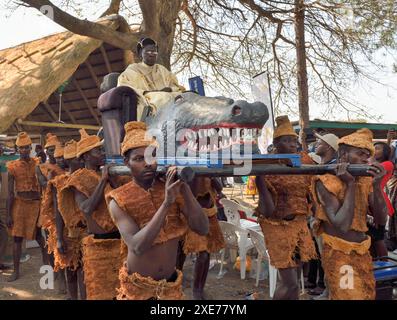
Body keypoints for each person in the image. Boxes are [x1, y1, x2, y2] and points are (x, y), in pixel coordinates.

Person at [106, 121, 208, 300]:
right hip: (138, 288)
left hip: (171, 285)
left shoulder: (171, 188)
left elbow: (202, 228)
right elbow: (137, 246)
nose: (148, 163)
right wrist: (167, 203)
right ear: (127, 163)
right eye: (139, 159)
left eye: (152, 156)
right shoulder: (118, 199)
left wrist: (184, 189)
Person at [313, 128, 388, 300]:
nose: (366, 159)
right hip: (338, 252)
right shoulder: (325, 180)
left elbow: (381, 219)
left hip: (362, 251)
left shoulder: (365, 180)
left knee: (366, 295)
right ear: (343, 156)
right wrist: (351, 185)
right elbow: (342, 224)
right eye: (360, 154)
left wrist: (377, 186)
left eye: (368, 155)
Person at [255, 115, 317, 300]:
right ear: (276, 143)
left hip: (300, 225)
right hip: (278, 226)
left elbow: (314, 188)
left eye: (294, 141)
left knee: (295, 281)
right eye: (287, 141)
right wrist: (259, 179)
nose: (292, 144)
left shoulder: (304, 160)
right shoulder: (268, 164)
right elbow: (266, 209)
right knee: (289, 282)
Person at [43, 142, 86, 299]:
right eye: (77, 158)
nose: (80, 160)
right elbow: (58, 211)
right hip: (69, 233)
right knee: (71, 269)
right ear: (69, 160)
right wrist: (60, 238)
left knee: (84, 270)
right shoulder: (59, 182)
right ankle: (72, 296)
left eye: (81, 157)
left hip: (86, 232)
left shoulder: (88, 178)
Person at [6, 132, 48, 281]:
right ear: (17, 150)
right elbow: (10, 193)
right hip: (20, 205)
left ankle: (47, 266)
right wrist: (8, 214)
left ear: (30, 148)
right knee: (17, 238)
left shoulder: (37, 163)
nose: (24, 150)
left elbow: (44, 183)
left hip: (36, 204)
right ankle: (16, 271)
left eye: (26, 147)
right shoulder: (12, 167)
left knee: (39, 236)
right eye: (21, 148)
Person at [178, 177, 225, 300]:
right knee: (194, 253)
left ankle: (199, 287)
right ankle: (193, 288)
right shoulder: (191, 169)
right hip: (192, 217)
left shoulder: (209, 167)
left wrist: (211, 175)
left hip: (210, 215)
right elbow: (191, 193)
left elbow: (219, 188)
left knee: (206, 253)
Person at [117, 37, 185, 120]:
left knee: (185, 97)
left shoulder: (162, 70)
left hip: (168, 97)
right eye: (148, 51)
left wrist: (170, 89)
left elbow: (176, 87)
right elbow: (124, 87)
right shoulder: (133, 69)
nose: (151, 54)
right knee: (163, 98)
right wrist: (148, 92)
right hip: (145, 101)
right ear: (141, 53)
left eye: (154, 52)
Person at [367, 141, 394, 259]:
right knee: (371, 237)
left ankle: (384, 262)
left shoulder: (388, 164)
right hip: (370, 201)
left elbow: (371, 169)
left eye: (377, 148)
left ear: (385, 152)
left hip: (380, 203)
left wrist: (369, 155)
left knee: (378, 237)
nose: (374, 150)